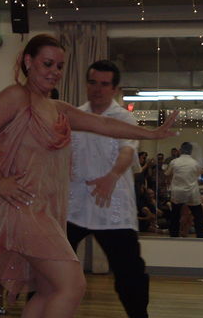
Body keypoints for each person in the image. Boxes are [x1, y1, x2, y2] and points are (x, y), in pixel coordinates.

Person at [0, 34, 177, 318]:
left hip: (48, 211)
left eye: (60, 66)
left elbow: (104, 125)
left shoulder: (57, 108)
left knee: (48, 289)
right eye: (47, 64)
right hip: (24, 208)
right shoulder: (16, 96)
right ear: (28, 62)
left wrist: (151, 134)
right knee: (72, 286)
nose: (55, 71)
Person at [66, 59, 150, 318]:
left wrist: (112, 175)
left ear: (114, 89)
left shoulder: (123, 117)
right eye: (93, 83)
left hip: (112, 207)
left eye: (104, 84)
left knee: (130, 275)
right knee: (52, 267)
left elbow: (127, 150)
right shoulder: (75, 115)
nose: (97, 89)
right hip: (75, 205)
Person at [164, 142, 203, 238]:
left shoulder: (174, 162)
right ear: (191, 151)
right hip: (192, 192)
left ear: (180, 150)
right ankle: (200, 235)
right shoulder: (195, 163)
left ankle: (174, 235)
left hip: (177, 192)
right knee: (198, 215)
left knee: (175, 215)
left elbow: (167, 174)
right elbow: (198, 175)